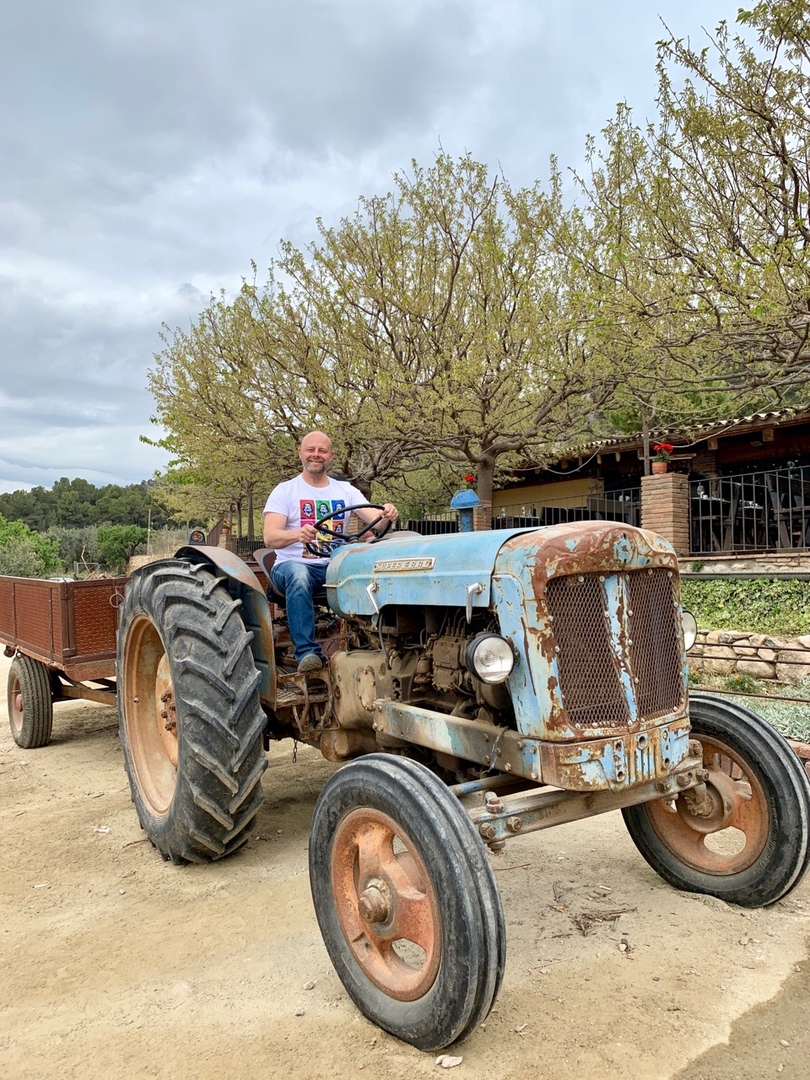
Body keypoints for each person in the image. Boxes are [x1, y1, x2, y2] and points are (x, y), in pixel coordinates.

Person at [262, 431, 399, 674]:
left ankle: (381, 644)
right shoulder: (285, 491)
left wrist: (387, 513)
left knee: (375, 569)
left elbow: (377, 524)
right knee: (298, 574)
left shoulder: (345, 490)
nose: (316, 455)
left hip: (334, 567)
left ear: (331, 456)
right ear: (301, 453)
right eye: (310, 449)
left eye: (322, 451)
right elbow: (270, 537)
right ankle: (307, 653)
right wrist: (296, 535)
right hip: (291, 565)